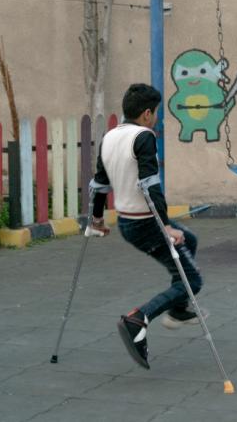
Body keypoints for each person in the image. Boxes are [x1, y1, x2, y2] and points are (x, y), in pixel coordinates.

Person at [87, 83, 205, 370]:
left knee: (188, 240)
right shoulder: (144, 137)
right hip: (145, 223)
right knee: (192, 281)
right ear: (147, 114)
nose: (158, 119)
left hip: (128, 221)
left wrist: (97, 219)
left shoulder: (110, 137)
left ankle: (177, 310)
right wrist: (165, 225)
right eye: (157, 114)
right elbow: (150, 185)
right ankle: (139, 318)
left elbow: (99, 184)